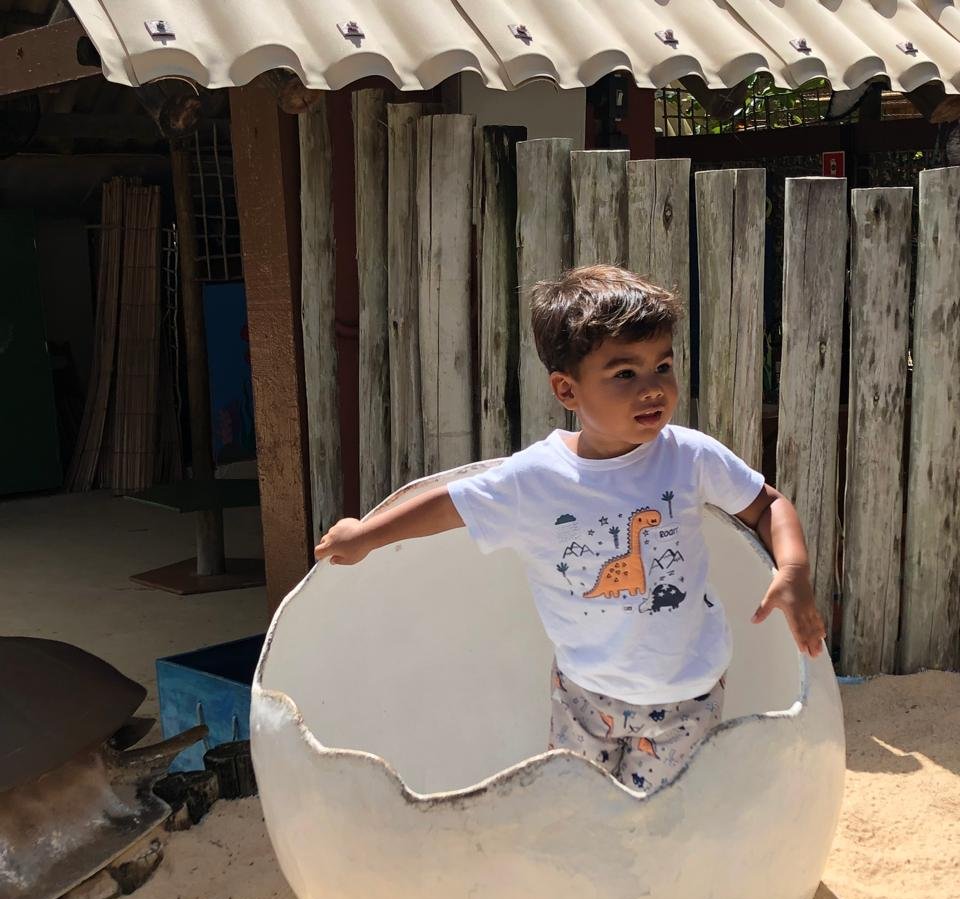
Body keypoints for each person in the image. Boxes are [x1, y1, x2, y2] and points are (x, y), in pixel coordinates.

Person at [315, 265, 825, 796]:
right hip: (583, 695)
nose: (653, 388)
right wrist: (367, 534)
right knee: (579, 805)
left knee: (660, 816)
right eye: (625, 374)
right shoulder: (536, 478)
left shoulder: (690, 456)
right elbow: (451, 506)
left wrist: (792, 567)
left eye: (663, 366)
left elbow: (767, 505)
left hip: (687, 694)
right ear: (567, 389)